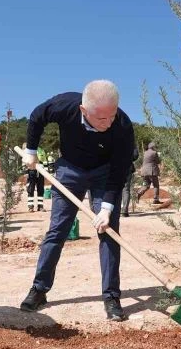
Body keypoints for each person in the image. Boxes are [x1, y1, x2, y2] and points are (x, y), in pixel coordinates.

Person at [19, 80, 135, 322]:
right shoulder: (65, 105)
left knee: (109, 232)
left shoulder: (122, 125)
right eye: (101, 118)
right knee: (57, 230)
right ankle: (39, 289)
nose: (108, 123)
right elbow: (37, 116)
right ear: (84, 110)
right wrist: (31, 151)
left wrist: (107, 208)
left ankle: (111, 296)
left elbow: (119, 171)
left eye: (112, 115)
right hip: (70, 171)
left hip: (105, 174)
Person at [120, 145, 139, 217]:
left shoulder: (113, 138)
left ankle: (115, 210)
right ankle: (124, 211)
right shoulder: (131, 141)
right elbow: (135, 155)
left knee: (115, 188)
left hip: (115, 168)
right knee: (126, 189)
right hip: (127, 167)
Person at [26, 147, 47, 212]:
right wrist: (26, 172)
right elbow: (25, 162)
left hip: (40, 172)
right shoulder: (29, 149)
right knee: (30, 189)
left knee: (40, 189)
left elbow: (45, 161)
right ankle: (30, 207)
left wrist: (46, 172)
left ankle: (40, 207)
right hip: (31, 171)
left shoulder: (41, 150)